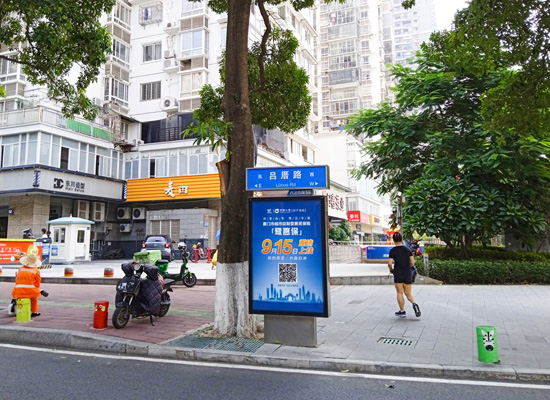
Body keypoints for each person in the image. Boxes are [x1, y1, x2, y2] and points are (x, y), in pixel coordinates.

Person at [387, 232, 421, 318]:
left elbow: (390, 263)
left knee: (399, 293)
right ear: (402, 239)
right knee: (408, 293)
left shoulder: (393, 251)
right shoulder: (407, 250)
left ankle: (402, 311)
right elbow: (412, 263)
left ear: (393, 240)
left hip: (398, 272)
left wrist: (391, 269)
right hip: (407, 273)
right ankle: (414, 303)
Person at [12, 252, 44, 317]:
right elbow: (37, 283)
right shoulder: (36, 271)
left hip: (18, 291)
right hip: (31, 292)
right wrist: (38, 290)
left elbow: (17, 280)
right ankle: (33, 312)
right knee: (35, 297)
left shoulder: (20, 269)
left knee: (20, 298)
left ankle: (19, 310)